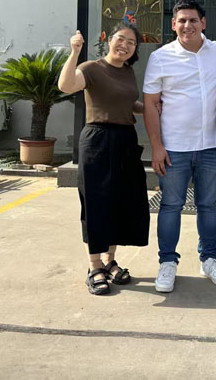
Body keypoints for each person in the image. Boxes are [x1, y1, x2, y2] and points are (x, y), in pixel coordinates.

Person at [143, 0, 216, 293]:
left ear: (203, 23)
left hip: (211, 146)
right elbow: (150, 104)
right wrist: (157, 146)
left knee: (208, 204)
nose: (187, 25)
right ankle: (167, 262)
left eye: (193, 20)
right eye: (181, 20)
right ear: (173, 24)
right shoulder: (160, 58)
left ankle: (209, 259)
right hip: (174, 148)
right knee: (171, 205)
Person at [58, 22, 151, 296]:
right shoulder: (92, 68)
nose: (125, 45)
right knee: (97, 203)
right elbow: (66, 85)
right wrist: (74, 52)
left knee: (121, 202)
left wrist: (151, 107)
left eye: (131, 43)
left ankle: (110, 262)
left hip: (125, 139)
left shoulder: (128, 71)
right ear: (109, 40)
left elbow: (126, 103)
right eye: (121, 39)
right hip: (98, 140)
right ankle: (95, 266)